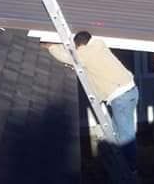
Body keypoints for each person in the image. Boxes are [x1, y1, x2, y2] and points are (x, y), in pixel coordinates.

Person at [48, 31, 138, 170]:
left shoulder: (86, 54)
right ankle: (124, 163)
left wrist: (51, 47)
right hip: (130, 91)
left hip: (120, 97)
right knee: (119, 131)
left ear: (80, 45)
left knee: (125, 136)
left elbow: (68, 57)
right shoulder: (98, 45)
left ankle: (130, 168)